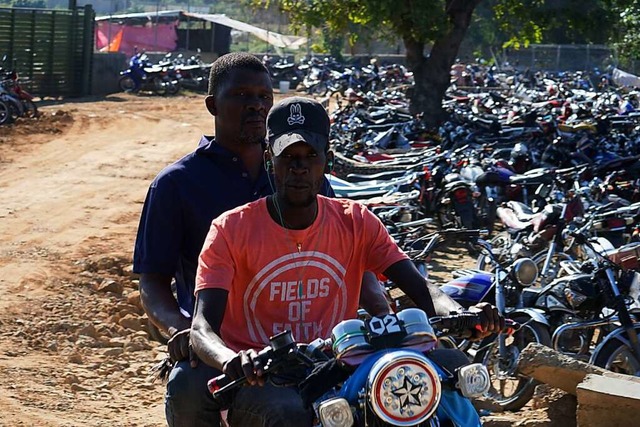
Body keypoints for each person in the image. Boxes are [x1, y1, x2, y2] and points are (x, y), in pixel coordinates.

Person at [190, 96, 504, 427]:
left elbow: (420, 287)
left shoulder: (357, 221)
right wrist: (234, 360)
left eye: (311, 155)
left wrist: (460, 313)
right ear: (270, 159)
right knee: (289, 411)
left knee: (452, 371)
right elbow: (201, 327)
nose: (300, 167)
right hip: (266, 378)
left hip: (344, 365)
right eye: (288, 156)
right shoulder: (230, 229)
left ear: (327, 158)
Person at [133, 53, 388, 427]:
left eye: (263, 97)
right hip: (222, 350)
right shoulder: (176, 185)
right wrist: (182, 328)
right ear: (212, 105)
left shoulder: (303, 174)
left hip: (315, 348)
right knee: (187, 385)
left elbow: (352, 256)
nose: (255, 105)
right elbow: (151, 282)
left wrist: (386, 317)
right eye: (240, 95)